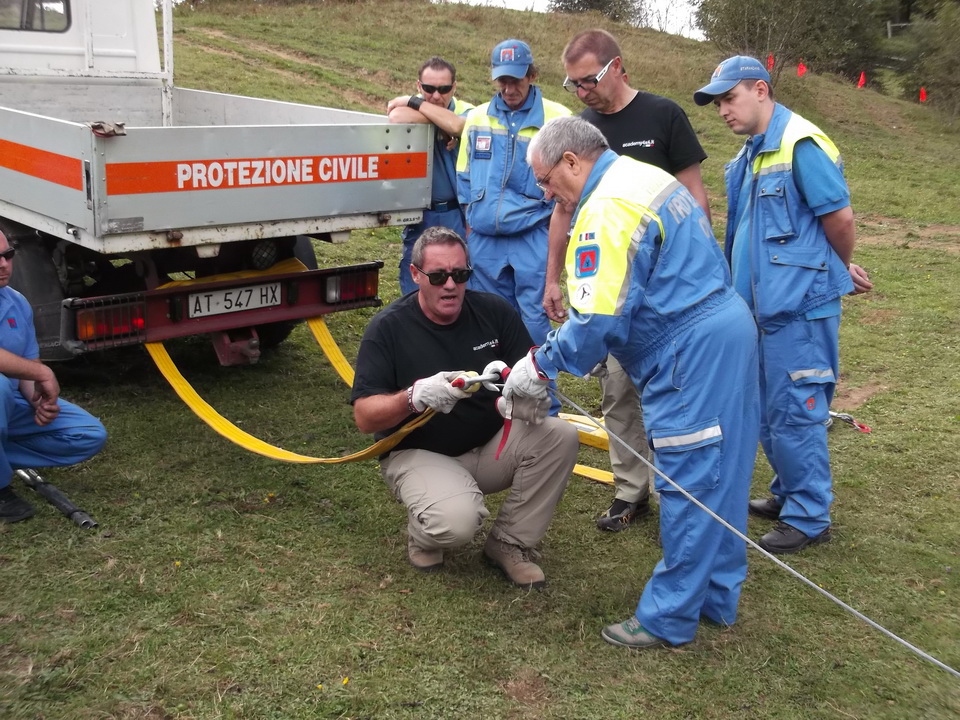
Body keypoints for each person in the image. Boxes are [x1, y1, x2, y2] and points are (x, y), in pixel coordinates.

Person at [503, 116, 760, 649]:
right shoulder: (643, 176)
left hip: (686, 350)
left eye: (546, 180)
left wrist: (541, 363)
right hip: (725, 325)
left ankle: (669, 617)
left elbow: (597, 320)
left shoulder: (605, 209)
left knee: (689, 479)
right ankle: (717, 594)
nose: (545, 193)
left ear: (571, 161)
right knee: (724, 470)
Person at [693, 56, 873, 555]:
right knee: (769, 412)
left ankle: (810, 517)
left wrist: (835, 269)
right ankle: (789, 490)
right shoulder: (751, 153)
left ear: (760, 89)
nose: (723, 110)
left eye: (730, 98)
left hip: (799, 312)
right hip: (760, 312)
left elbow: (840, 219)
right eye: (718, 103)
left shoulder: (800, 144)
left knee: (796, 412)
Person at [544, 28, 713, 532]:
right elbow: (562, 209)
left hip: (662, 291)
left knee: (670, 395)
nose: (581, 92)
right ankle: (629, 490)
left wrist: (702, 265)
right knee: (616, 391)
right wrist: (552, 279)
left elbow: (693, 195)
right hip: (610, 287)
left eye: (587, 80)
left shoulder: (663, 115)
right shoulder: (579, 129)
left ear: (617, 67)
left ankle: (675, 492)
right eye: (572, 84)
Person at [350, 226, 578, 589]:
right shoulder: (388, 328)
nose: (450, 285)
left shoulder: (494, 312)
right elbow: (364, 417)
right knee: (455, 524)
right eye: (438, 276)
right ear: (415, 275)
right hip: (418, 453)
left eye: (460, 274)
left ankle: (509, 543)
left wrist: (528, 396)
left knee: (560, 436)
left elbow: (526, 371)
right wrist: (414, 396)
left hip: (489, 448)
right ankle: (425, 533)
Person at [456, 39, 571, 350]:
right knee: (489, 314)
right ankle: (497, 377)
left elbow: (572, 181)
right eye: (502, 81)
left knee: (533, 316)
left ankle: (540, 379)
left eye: (516, 80)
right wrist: (471, 228)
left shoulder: (558, 118)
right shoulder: (477, 118)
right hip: (484, 237)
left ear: (532, 75)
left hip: (533, 234)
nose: (508, 89)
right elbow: (464, 176)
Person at [0, 230, 107, 523]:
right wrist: (42, 372)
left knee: (89, 435)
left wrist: (37, 398)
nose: (3, 265)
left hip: (8, 405)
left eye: (7, 255)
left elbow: (27, 362)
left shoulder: (17, 301)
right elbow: (33, 368)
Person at [387, 57, 474, 296]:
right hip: (422, 216)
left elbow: (458, 126)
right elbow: (396, 117)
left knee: (457, 284)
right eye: (428, 89)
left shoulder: (468, 111)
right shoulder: (412, 107)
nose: (436, 96)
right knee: (416, 285)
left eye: (444, 89)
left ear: (454, 87)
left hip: (457, 215)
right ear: (419, 86)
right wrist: (440, 123)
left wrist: (413, 102)